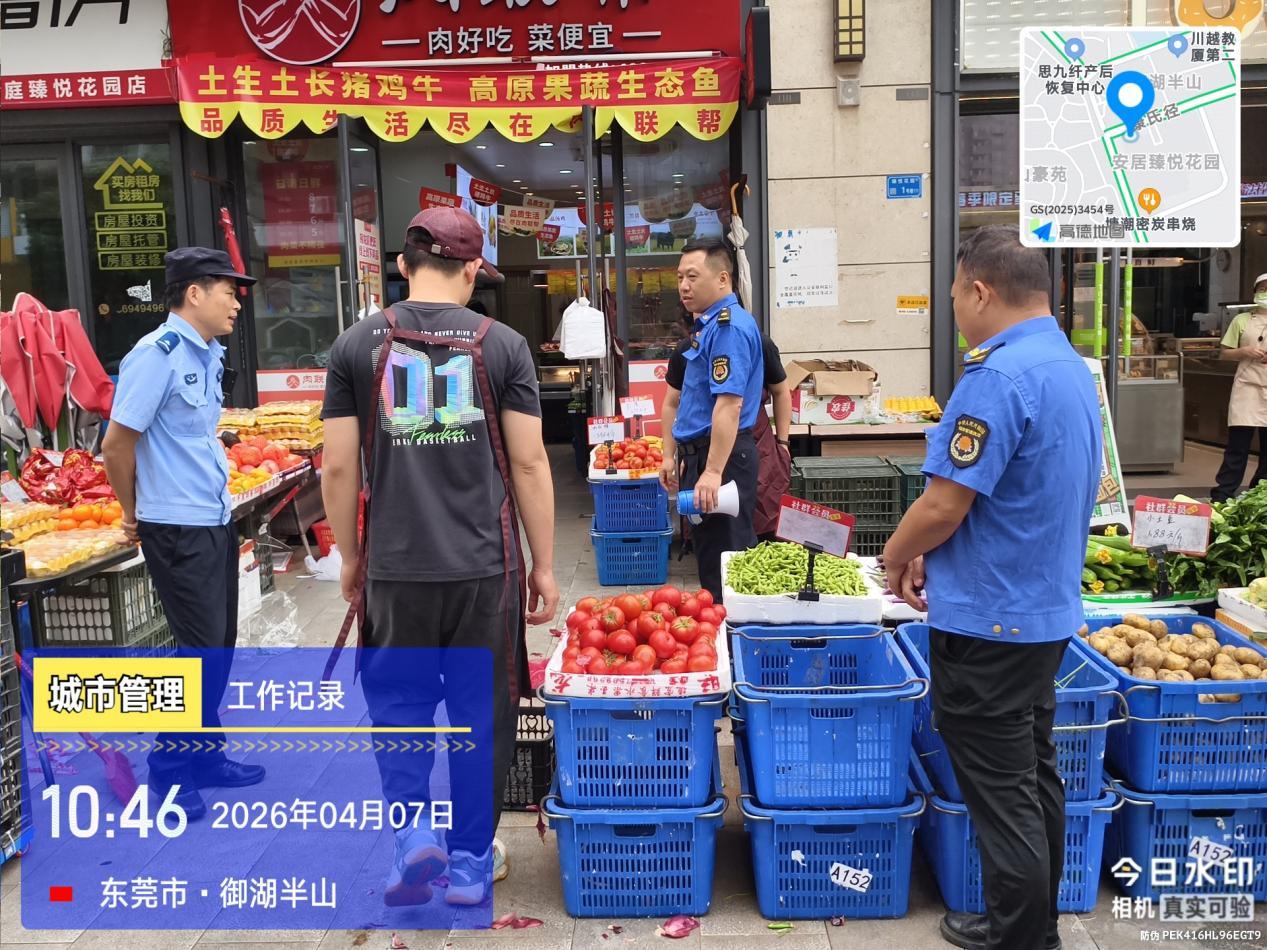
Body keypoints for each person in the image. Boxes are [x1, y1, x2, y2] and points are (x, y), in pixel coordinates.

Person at [320, 206, 559, 908]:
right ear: (472, 271)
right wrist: (544, 564)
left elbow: (338, 468)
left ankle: (412, 835)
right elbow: (529, 462)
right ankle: (468, 863)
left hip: (395, 569)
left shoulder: (354, 345)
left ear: (403, 265)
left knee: (399, 706)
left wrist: (350, 557)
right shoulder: (503, 345)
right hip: (485, 568)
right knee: (481, 716)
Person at [882, 226, 1101, 950]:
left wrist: (895, 554)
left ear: (979, 291)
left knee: (1004, 794)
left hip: (991, 621)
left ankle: (1022, 938)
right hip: (1042, 612)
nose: (954, 310)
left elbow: (944, 504)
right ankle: (1028, 922)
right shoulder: (1068, 365)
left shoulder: (997, 378)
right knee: (1032, 778)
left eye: (953, 296)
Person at [102, 247, 266, 821]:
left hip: (212, 517)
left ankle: (206, 757)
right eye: (228, 292)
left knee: (218, 647)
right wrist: (131, 514)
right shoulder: (156, 356)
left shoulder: (208, 353)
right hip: (174, 526)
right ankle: (169, 772)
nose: (236, 304)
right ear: (193, 293)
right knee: (199, 656)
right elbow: (116, 444)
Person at [658, 238, 764, 599]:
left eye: (693, 276)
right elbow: (687, 401)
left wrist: (714, 470)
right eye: (679, 277)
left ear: (722, 279)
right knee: (710, 556)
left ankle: (731, 631)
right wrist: (677, 455)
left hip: (723, 459)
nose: (684, 286)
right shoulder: (708, 326)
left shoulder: (728, 328)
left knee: (726, 565)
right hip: (704, 456)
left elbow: (729, 405)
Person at [665, 316, 792, 542]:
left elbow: (781, 392)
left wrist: (783, 443)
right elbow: (672, 404)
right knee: (712, 526)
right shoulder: (686, 350)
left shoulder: (756, 341)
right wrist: (676, 454)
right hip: (704, 448)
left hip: (755, 443)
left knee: (760, 515)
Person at [1211, 273, 1267, 501]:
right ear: (1255, 293)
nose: (1266, 293)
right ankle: (1222, 495)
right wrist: (1244, 352)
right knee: (1238, 446)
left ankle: (1258, 493)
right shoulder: (1241, 320)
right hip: (1246, 387)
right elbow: (1224, 353)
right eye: (1262, 289)